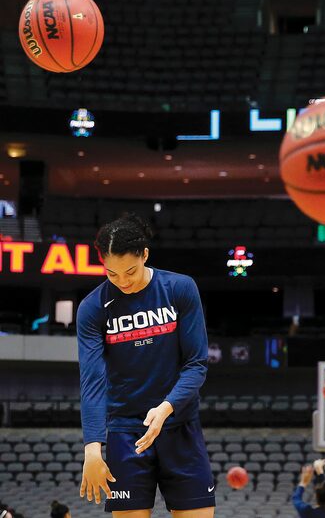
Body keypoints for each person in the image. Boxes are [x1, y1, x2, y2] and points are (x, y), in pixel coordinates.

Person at [77, 214, 214, 516]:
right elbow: (92, 382)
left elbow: (196, 364)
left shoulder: (180, 288)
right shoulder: (92, 308)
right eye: (112, 274)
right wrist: (92, 448)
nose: (123, 282)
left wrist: (166, 407)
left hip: (179, 426)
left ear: (145, 255)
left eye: (130, 271)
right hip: (126, 432)